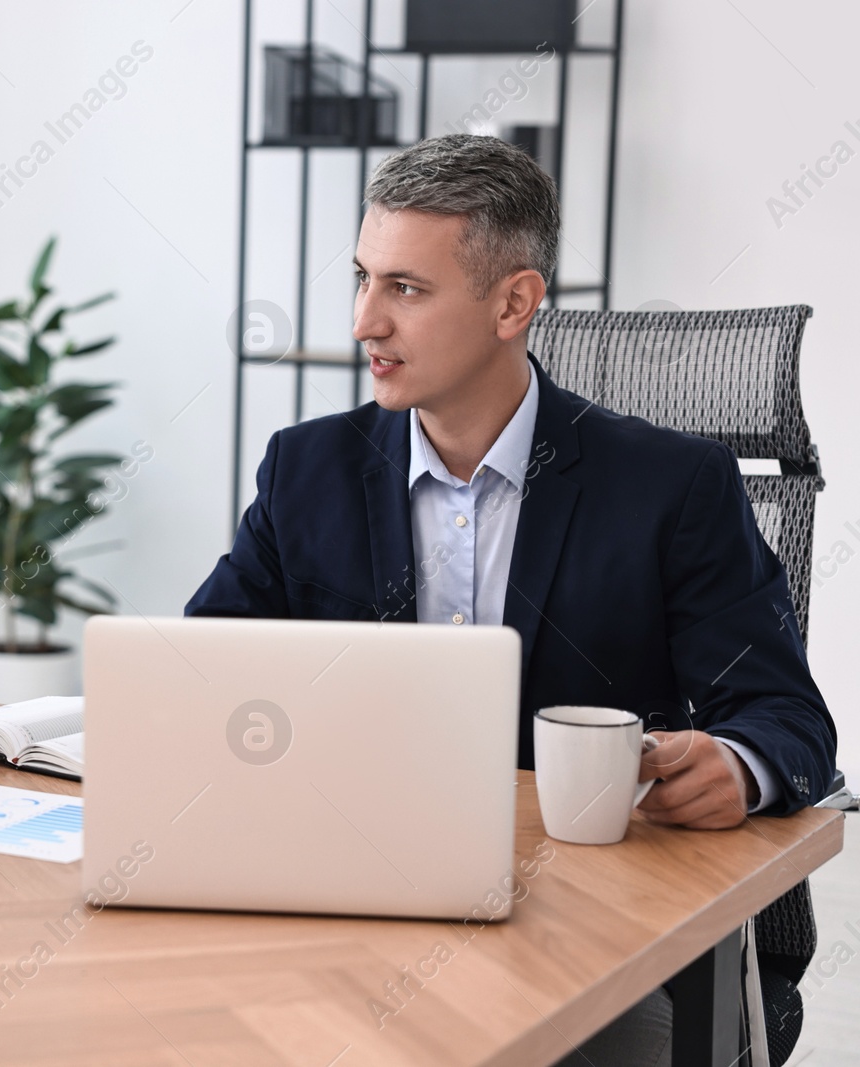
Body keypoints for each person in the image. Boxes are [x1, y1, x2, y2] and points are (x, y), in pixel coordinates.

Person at [186, 134, 837, 1063]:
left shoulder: (672, 485)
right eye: (364, 278)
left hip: (591, 932)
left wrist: (736, 764)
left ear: (514, 302)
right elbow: (201, 671)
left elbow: (790, 720)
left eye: (405, 289)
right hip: (356, 904)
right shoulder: (308, 469)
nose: (366, 321)